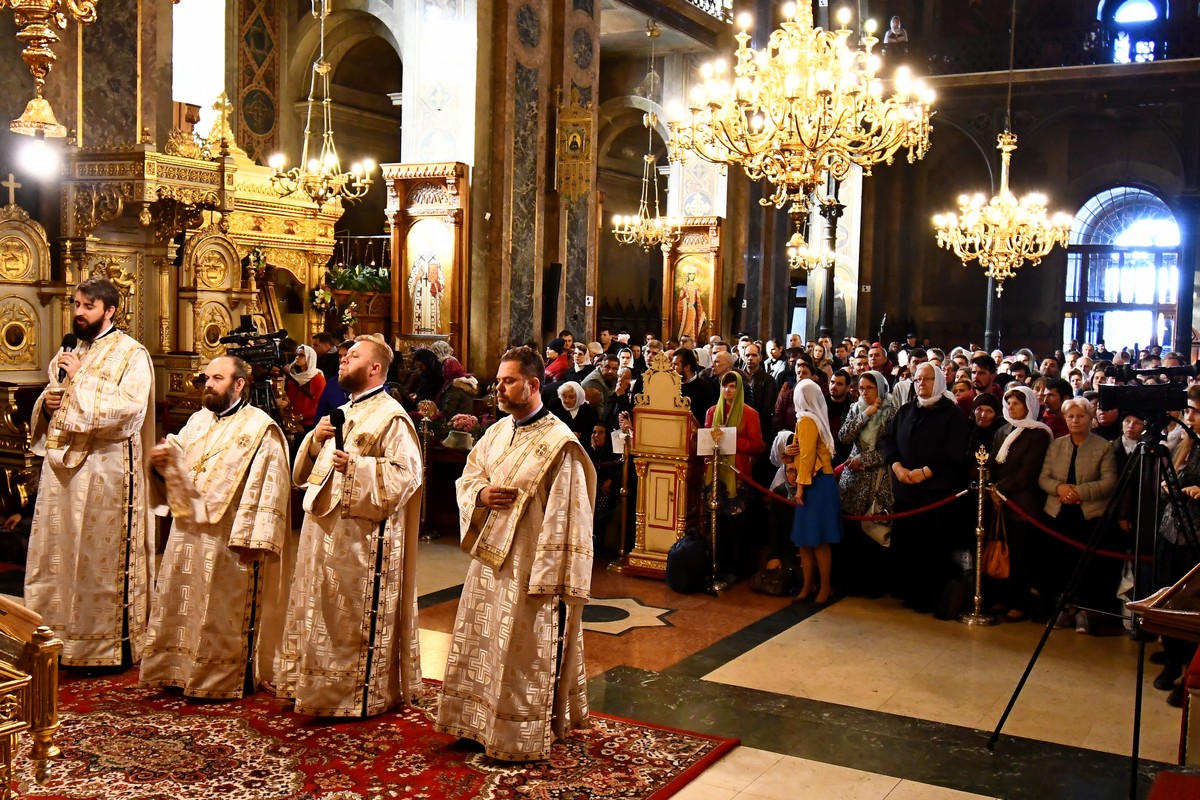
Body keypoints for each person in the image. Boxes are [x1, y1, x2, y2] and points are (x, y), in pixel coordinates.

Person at [436, 346, 596, 761]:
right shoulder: (497, 431)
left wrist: (551, 577)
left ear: (532, 384)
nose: (499, 389)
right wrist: (482, 494)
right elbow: (469, 477)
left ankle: (520, 733)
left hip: (531, 569)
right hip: (489, 562)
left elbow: (569, 517)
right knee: (484, 644)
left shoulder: (560, 445)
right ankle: (475, 722)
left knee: (522, 654)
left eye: (508, 381)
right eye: (498, 381)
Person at [279, 335, 425, 717]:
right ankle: (312, 685)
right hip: (321, 530)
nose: (343, 361)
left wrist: (358, 469)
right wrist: (315, 440)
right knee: (316, 611)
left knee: (347, 621)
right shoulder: (344, 410)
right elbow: (309, 472)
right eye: (343, 356)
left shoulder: (392, 416)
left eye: (353, 357)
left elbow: (407, 475)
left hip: (360, 539)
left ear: (375, 368)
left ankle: (352, 695)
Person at [142, 356, 292, 698]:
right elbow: (179, 460)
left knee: (219, 611)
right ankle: (177, 670)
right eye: (207, 377)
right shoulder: (197, 421)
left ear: (239, 384)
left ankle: (221, 678)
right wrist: (161, 461)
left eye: (217, 378)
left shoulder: (261, 429)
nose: (208, 384)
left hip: (230, 539)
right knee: (185, 604)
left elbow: (270, 484)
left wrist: (255, 539)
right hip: (189, 532)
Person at [25, 276, 156, 667]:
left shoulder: (132, 354)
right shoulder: (70, 350)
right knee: (58, 552)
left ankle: (101, 645)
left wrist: (80, 377)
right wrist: (47, 407)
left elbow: (129, 411)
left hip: (107, 471)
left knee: (95, 557)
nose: (78, 313)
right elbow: (58, 403)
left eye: (87, 306)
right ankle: (54, 635)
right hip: (62, 473)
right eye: (76, 305)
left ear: (110, 310)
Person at [882, 362, 970, 613]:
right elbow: (889, 440)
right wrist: (897, 467)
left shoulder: (951, 413)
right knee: (907, 543)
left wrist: (925, 472)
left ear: (939, 382)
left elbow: (954, 450)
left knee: (930, 545)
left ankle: (929, 595)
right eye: (917, 379)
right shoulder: (906, 410)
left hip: (935, 492)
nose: (921, 384)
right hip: (906, 488)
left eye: (927, 379)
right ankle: (907, 590)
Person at [1037, 397, 1118, 633]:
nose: (1075, 420)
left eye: (1080, 416)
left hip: (1088, 516)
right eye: (1070, 416)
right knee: (1059, 564)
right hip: (1058, 513)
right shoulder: (1057, 444)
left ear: (1089, 418)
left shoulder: (1103, 446)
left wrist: (1078, 492)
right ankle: (1062, 609)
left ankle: (1084, 611)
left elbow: (1109, 482)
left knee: (1087, 567)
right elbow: (1044, 477)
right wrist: (1059, 489)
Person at [987, 385, 1053, 622]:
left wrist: (1000, 488)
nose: (1011, 407)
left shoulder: (1038, 433)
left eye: (1017, 403)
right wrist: (991, 485)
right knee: (1001, 550)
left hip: (1024, 504)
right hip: (1000, 502)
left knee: (1021, 554)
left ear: (1029, 406)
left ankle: (1020, 601)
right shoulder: (1003, 430)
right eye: (1009, 402)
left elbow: (1028, 471)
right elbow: (994, 461)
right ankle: (1002, 597)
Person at [837, 370, 896, 597]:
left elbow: (890, 448)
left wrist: (866, 460)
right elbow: (844, 437)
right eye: (860, 388)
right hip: (853, 479)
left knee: (872, 531)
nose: (864, 392)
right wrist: (865, 415)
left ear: (880, 388)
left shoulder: (892, 412)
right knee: (852, 532)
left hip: (876, 478)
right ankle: (851, 582)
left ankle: (873, 585)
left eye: (869, 388)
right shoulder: (856, 407)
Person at [705, 372, 766, 581]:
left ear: (739, 389)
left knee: (736, 524)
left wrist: (731, 440)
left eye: (732, 386)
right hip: (715, 473)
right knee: (717, 521)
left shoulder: (749, 414)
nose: (728, 390)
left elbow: (757, 444)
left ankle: (735, 567)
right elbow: (706, 439)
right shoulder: (713, 411)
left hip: (738, 474)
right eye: (725, 386)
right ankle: (716, 564)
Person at [791, 379, 842, 604]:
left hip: (816, 484)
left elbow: (808, 456)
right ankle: (807, 585)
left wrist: (800, 487)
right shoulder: (806, 420)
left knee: (820, 539)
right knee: (805, 539)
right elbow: (799, 450)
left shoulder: (807, 421)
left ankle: (824, 587)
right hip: (815, 481)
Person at [285, 344, 327, 431]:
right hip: (295, 422)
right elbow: (291, 401)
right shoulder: (293, 379)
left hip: (312, 422)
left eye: (302, 355)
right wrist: (295, 421)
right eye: (297, 355)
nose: (297, 357)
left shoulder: (318, 378)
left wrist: (301, 417)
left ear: (310, 357)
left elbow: (319, 403)